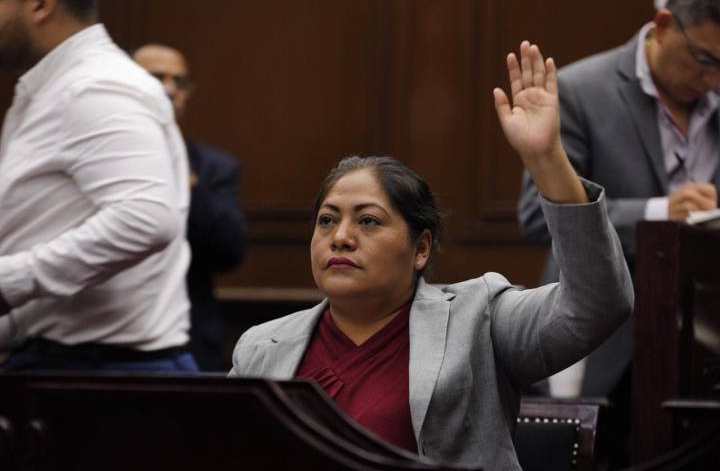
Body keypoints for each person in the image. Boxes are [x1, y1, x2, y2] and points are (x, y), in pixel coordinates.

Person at [228, 41, 634, 469]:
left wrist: (546, 160)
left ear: (420, 248)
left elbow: (597, 304)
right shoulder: (260, 348)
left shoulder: (479, 321)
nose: (341, 237)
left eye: (368, 221)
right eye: (327, 220)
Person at [518, 0, 720, 399]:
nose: (712, 80)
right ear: (663, 26)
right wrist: (661, 213)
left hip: (703, 344)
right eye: (704, 59)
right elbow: (538, 218)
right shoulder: (579, 90)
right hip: (604, 343)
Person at [0, 0, 196, 372]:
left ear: (41, 3)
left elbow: (146, 218)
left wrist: (10, 281)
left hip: (107, 373)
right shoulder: (60, 86)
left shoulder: (95, 86)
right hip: (68, 362)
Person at [133, 43, 248, 371]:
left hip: (188, 340)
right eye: (156, 78)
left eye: (179, 81)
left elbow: (229, 253)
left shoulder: (215, 167)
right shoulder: (98, 155)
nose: (170, 89)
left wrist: (185, 178)